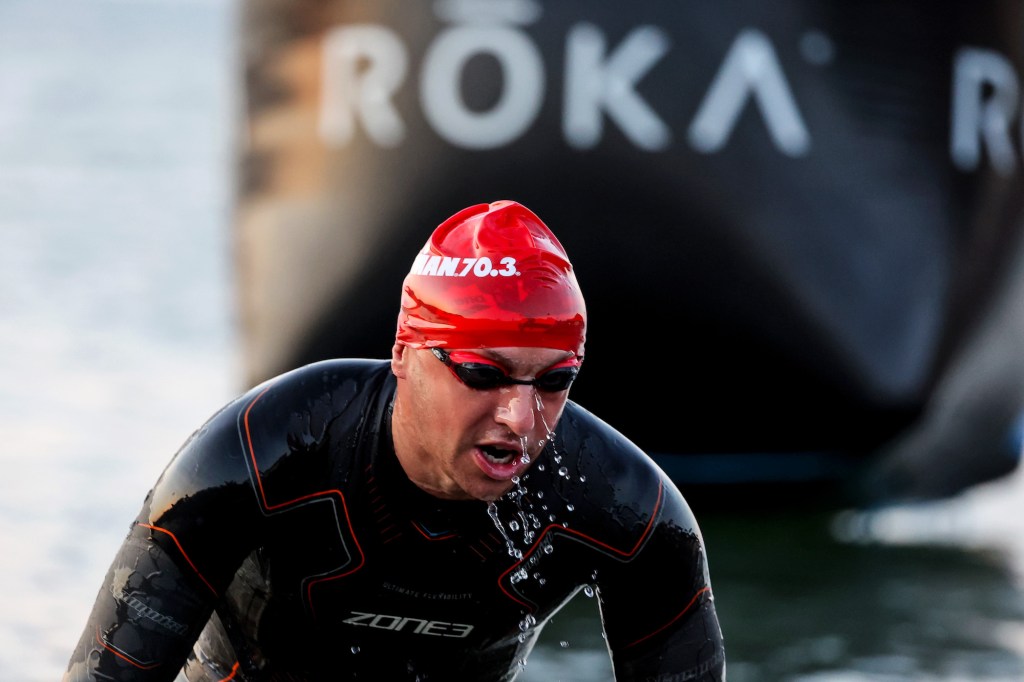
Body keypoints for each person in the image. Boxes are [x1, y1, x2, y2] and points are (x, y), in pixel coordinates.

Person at [63, 200, 726, 681]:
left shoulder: (626, 508)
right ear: (406, 354)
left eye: (554, 382)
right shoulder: (259, 454)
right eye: (483, 375)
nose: (521, 419)